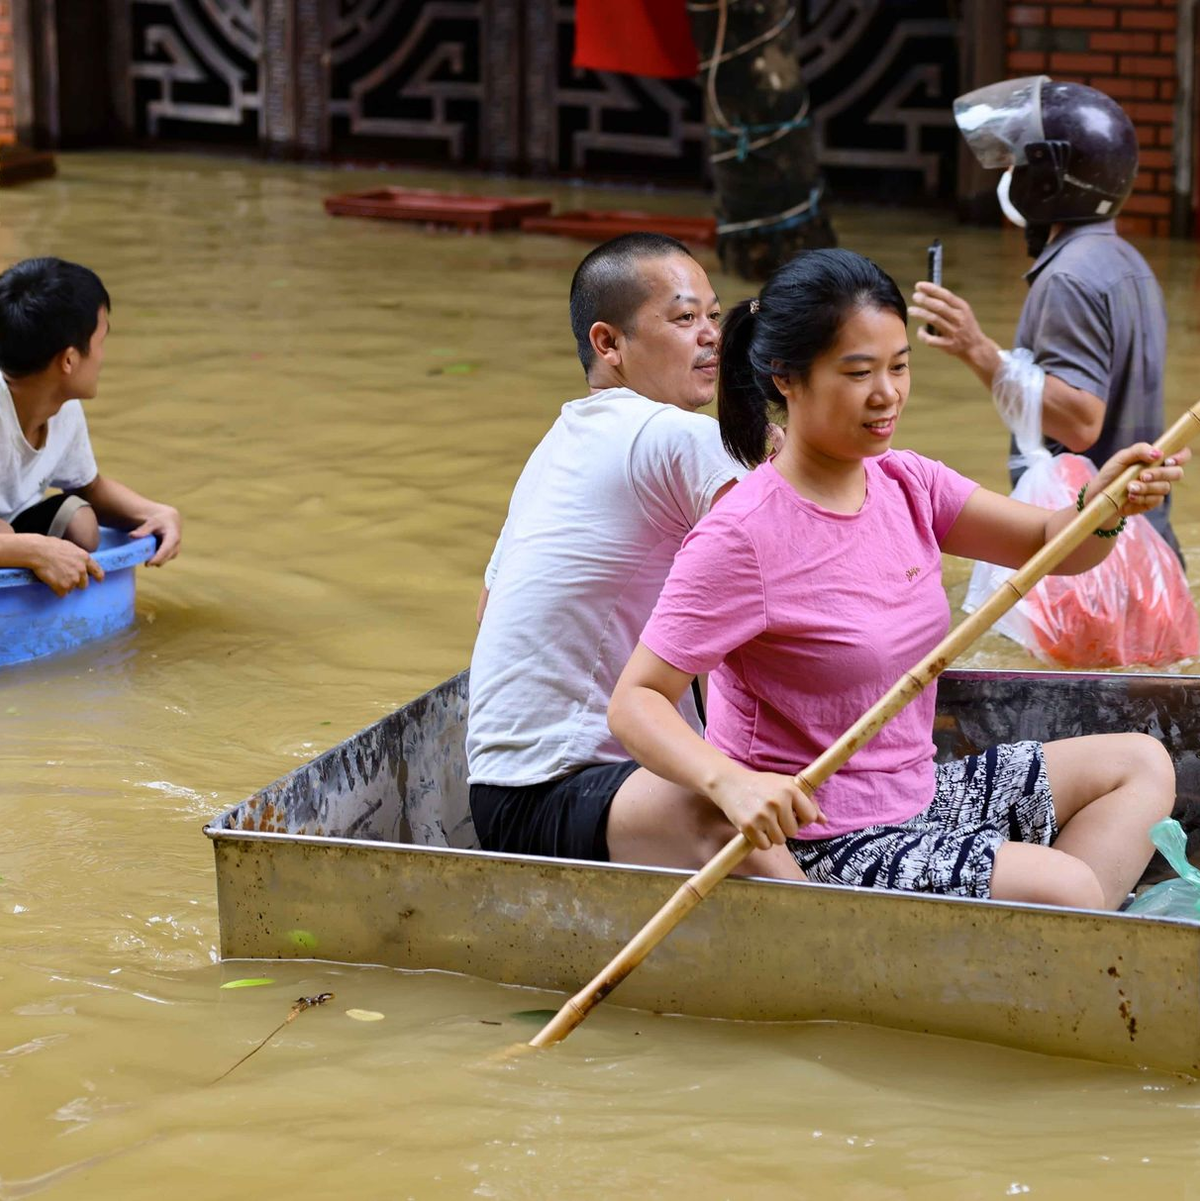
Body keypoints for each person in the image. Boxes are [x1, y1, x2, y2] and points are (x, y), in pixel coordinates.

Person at [609, 248, 1185, 909]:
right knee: (1067, 887)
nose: (887, 393)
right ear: (787, 378)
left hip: (921, 794)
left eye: (899, 366)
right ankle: (1062, 918)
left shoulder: (907, 481)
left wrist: (1104, 508)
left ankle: (1056, 932)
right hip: (824, 837)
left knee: (1142, 763)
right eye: (859, 372)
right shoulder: (742, 534)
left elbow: (1054, 545)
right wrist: (729, 783)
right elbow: (637, 701)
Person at [467, 233, 803, 880]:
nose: (709, 336)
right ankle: (839, 951)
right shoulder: (679, 434)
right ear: (608, 343)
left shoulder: (556, 444)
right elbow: (793, 578)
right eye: (682, 318)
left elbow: (488, 609)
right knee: (728, 818)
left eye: (713, 315)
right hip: (561, 787)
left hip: (499, 793)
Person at [909, 76, 1182, 561]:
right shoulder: (1128, 263)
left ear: (1050, 177)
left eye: (1017, 162)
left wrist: (977, 348)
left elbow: (1079, 424)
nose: (1009, 173)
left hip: (1095, 557)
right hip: (1145, 548)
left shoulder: (1068, 277)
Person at [0, 257, 182, 596]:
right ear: (69, 360)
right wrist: (32, 550)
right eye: (101, 341)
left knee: (82, 523)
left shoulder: (61, 404)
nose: (102, 356)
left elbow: (89, 488)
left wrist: (156, 512)